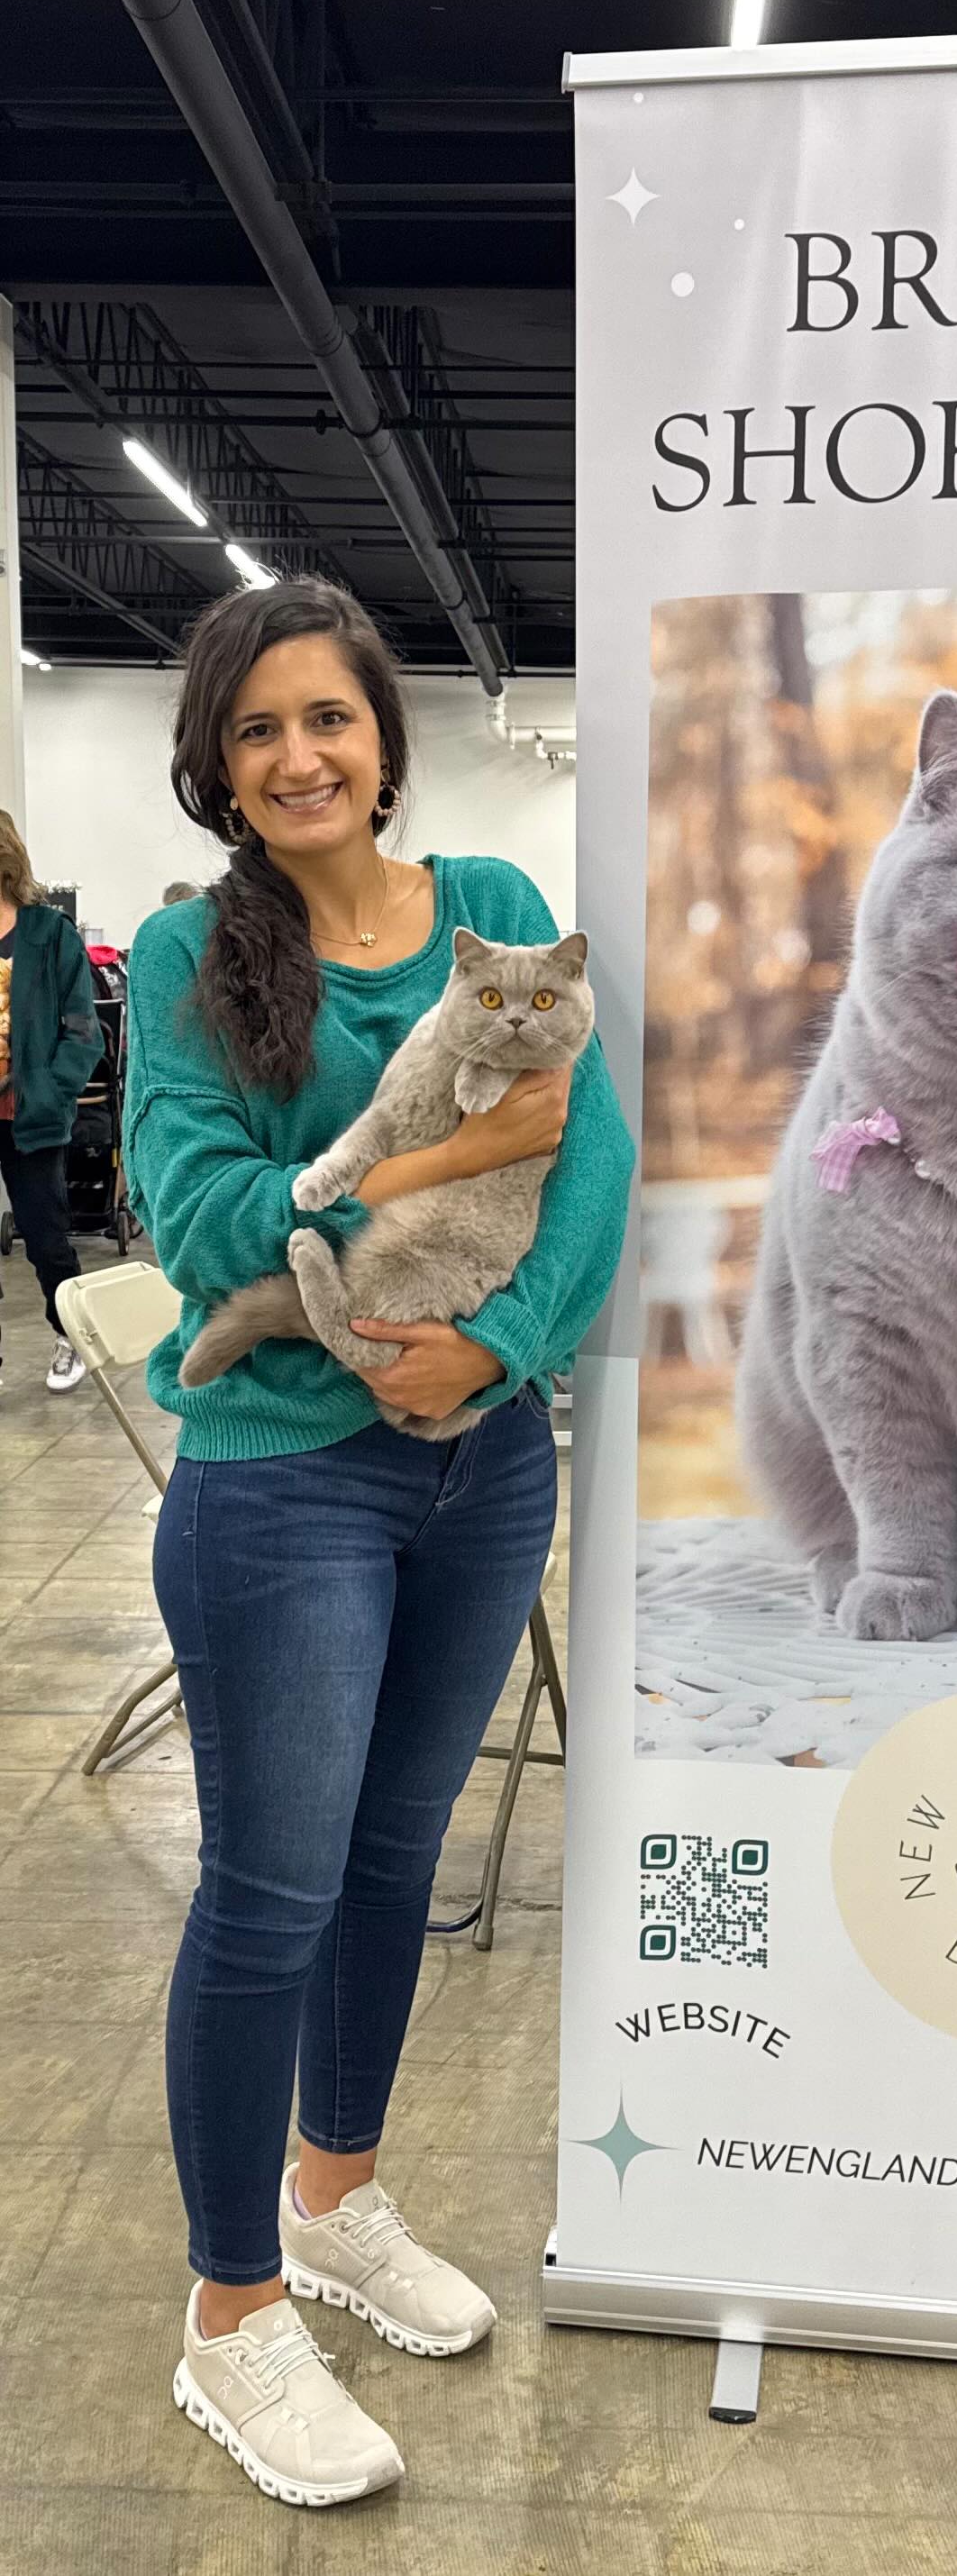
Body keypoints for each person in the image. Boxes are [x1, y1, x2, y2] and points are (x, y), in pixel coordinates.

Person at [124, 581, 633, 2508]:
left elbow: (588, 1146)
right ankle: (230, 2309)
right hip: (284, 1478)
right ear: (218, 763)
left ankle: (332, 2195)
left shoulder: (491, 904)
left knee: (397, 1857)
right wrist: (430, 1167)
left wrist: (495, 1345)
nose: (299, 754)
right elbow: (204, 1212)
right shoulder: (191, 951)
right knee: (269, 1888)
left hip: (486, 1463)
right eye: (256, 728)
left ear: (382, 738)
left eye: (327, 715)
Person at [0, 807, 100, 1394]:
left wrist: (50, 1089)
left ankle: (71, 1339)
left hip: (31, 1118)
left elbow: (83, 1030)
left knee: (46, 1239)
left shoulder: (47, 932)